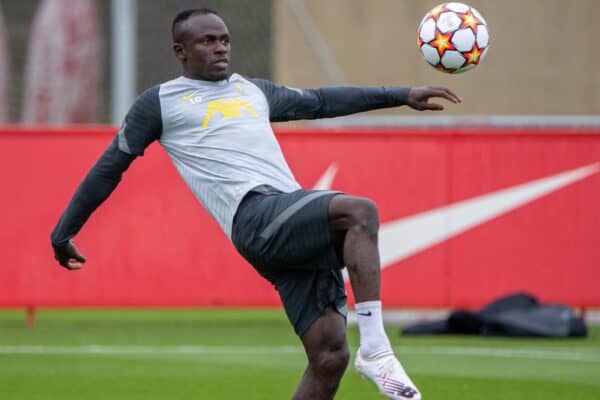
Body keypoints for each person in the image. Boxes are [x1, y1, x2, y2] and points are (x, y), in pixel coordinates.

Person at [51, 8, 460, 400]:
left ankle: (366, 351)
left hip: (284, 219)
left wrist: (401, 94)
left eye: (225, 40)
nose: (220, 48)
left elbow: (321, 101)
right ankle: (376, 348)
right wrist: (64, 230)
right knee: (359, 212)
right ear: (181, 51)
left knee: (329, 356)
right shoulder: (159, 102)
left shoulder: (253, 91)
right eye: (207, 41)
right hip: (253, 218)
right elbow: (108, 169)